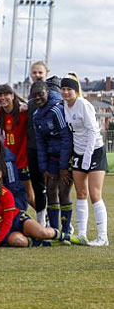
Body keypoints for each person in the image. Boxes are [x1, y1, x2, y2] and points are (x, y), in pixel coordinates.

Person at [0, 162, 85, 248]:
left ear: (0, 175)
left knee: (43, 232)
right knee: (18, 241)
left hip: (17, 220)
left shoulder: (6, 194)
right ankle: (48, 244)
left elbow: (8, 221)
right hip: (3, 228)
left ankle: (71, 237)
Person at [62, 72, 109, 246]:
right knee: (81, 193)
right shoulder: (65, 105)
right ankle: (82, 234)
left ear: (76, 90)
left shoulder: (84, 105)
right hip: (78, 152)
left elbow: (92, 132)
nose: (66, 92)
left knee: (95, 194)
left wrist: (87, 157)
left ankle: (103, 237)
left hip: (94, 151)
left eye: (69, 89)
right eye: (63, 89)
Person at [30, 81, 73, 232]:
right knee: (50, 191)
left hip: (65, 158)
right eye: (34, 95)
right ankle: (55, 231)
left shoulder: (57, 110)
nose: (37, 98)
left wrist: (64, 167)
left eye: (40, 94)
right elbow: (40, 143)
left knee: (63, 192)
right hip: (52, 159)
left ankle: (66, 231)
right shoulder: (36, 115)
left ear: (47, 93)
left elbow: (66, 137)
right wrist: (44, 168)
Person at [26, 61, 62, 226]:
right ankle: (41, 220)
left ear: (46, 73)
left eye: (40, 72)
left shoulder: (53, 95)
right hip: (34, 146)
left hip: (51, 149)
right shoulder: (32, 96)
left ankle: (61, 223)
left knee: (54, 187)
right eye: (34, 73)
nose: (37, 75)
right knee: (37, 185)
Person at [0, 84, 34, 209]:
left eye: (6, 94)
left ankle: (47, 219)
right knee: (12, 193)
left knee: (29, 194)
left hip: (23, 159)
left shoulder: (23, 111)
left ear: (12, 95)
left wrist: (28, 106)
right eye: (0, 95)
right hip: (9, 159)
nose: (3, 98)